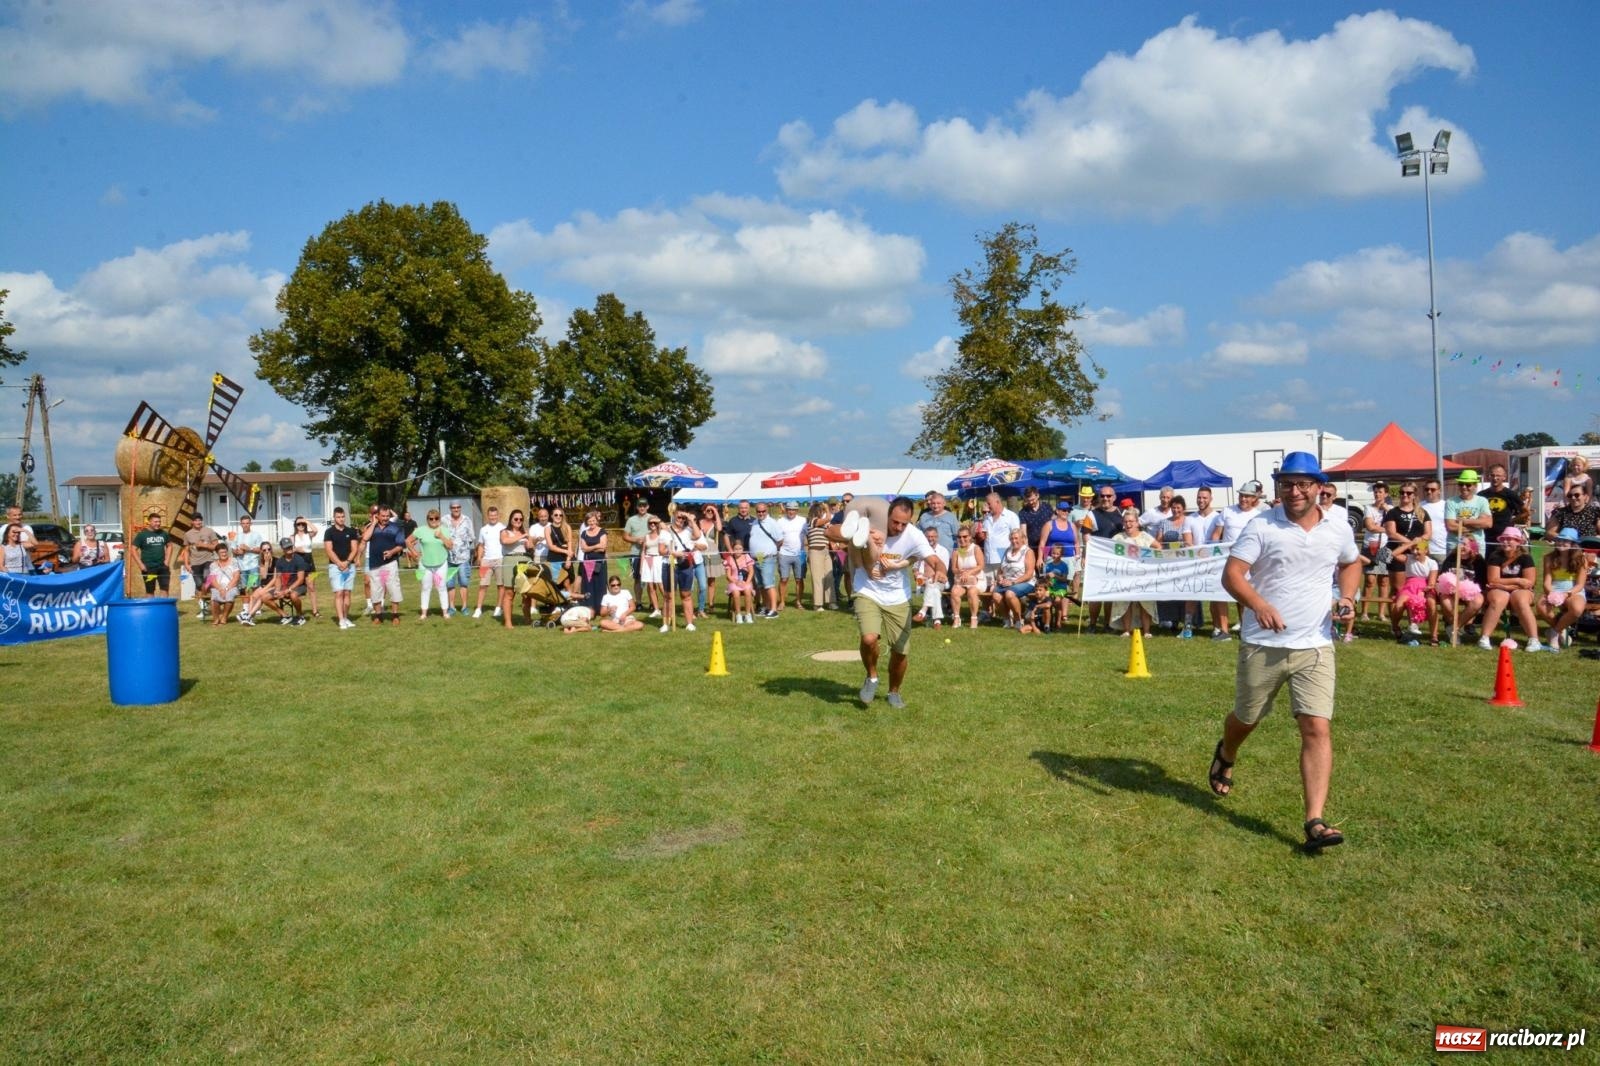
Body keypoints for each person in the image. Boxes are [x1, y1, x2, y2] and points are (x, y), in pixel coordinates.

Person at [1206, 452, 1360, 853]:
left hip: (1316, 645)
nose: (1295, 491)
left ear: (1319, 487)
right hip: (1263, 644)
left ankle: (1315, 820)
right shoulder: (1262, 525)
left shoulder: (1337, 526)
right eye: (1287, 484)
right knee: (1247, 718)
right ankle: (1227, 752)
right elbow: (1232, 575)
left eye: (1303, 484)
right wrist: (1258, 604)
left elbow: (1351, 563)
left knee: (1316, 727)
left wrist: (1346, 597)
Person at [829, 496, 943, 708]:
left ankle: (894, 691)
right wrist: (856, 533)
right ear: (887, 515)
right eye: (895, 522)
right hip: (867, 590)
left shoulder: (914, 535)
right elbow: (830, 532)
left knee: (900, 652)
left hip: (898, 597)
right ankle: (872, 677)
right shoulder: (873, 525)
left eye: (903, 523)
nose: (898, 527)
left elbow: (935, 560)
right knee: (869, 638)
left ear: (910, 521)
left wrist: (941, 571)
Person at [1476, 527, 1544, 651]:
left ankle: (1534, 640)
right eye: (1503, 539)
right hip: (1500, 589)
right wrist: (1517, 580)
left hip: (1519, 590)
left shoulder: (1526, 557)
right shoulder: (1495, 556)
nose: (1506, 542)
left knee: (1521, 600)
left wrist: (1504, 585)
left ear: (1518, 542)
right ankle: (1484, 638)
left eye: (1509, 539)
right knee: (1498, 600)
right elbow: (1493, 580)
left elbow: (1529, 582)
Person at [1538, 527, 1589, 650]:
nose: (1561, 543)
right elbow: (1547, 581)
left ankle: (1554, 632)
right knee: (1541, 606)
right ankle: (1560, 630)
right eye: (1559, 540)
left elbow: (1580, 584)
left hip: (1573, 590)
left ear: (1573, 544)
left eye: (1566, 541)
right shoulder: (1548, 558)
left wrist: (1566, 594)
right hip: (1554, 589)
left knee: (1577, 609)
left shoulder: (1582, 559)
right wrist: (1551, 593)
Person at [1083, 484, 1125, 633]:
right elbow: (1086, 536)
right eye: (1102, 496)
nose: (1105, 498)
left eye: (1108, 496)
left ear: (1114, 497)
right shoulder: (1091, 515)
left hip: (1116, 560)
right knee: (1095, 594)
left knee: (1110, 594)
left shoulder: (1122, 514)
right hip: (1097, 559)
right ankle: (1093, 624)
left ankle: (1107, 624)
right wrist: (1087, 555)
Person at [1156, 495, 1198, 638]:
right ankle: (1170, 620)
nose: (1175, 510)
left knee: (1186, 592)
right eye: (1173, 508)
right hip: (1169, 562)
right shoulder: (1163, 522)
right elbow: (1158, 541)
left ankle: (1188, 622)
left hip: (1185, 562)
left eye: (1178, 508)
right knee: (1171, 591)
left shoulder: (1189, 521)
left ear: (1183, 508)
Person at [1111, 508, 1157, 638]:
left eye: (1131, 521)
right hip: (1125, 576)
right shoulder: (1118, 538)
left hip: (1144, 576)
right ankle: (1126, 630)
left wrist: (1150, 559)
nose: (1128, 524)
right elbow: (1109, 551)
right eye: (1126, 521)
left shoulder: (1145, 536)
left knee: (1145, 603)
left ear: (1137, 523)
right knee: (1126, 602)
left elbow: (1158, 547)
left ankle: (1147, 631)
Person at [663, 510, 705, 631]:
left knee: (686, 594)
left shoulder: (689, 531)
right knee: (668, 595)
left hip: (685, 565)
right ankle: (665, 624)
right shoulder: (667, 530)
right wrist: (673, 553)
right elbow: (661, 549)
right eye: (679, 517)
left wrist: (690, 518)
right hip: (669, 564)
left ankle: (689, 623)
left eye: (683, 518)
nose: (681, 520)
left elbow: (698, 536)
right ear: (673, 517)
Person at [364, 505, 407, 625]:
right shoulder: (371, 527)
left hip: (390, 563)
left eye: (387, 516)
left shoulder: (396, 527)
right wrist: (373, 524)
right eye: (383, 516)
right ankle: (378, 616)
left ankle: (395, 615)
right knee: (375, 590)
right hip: (374, 564)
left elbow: (401, 545)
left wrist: (392, 552)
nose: (385, 518)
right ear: (377, 516)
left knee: (393, 588)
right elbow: (365, 538)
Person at [409, 507, 453, 620]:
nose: (434, 520)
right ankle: (424, 613)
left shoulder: (444, 530)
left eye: (436, 518)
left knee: (441, 587)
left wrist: (441, 536)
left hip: (441, 564)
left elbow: (450, 546)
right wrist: (414, 552)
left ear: (439, 519)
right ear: (427, 519)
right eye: (431, 518)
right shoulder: (420, 530)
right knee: (425, 588)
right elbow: (407, 541)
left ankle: (445, 612)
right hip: (425, 564)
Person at [991, 526, 1038, 631]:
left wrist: (1013, 582)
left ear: (1022, 539)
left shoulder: (1028, 552)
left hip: (1026, 582)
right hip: (1007, 582)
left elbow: (1029, 574)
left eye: (1016, 538)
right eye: (1012, 538)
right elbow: (1000, 569)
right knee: (996, 595)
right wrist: (1000, 578)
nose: (1014, 541)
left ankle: (1018, 620)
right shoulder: (1007, 551)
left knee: (1010, 594)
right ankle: (1007, 620)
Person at [323, 506, 361, 629]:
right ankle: (340, 620)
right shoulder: (329, 532)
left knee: (347, 593)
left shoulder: (351, 531)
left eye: (343, 517)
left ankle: (345, 617)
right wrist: (340, 563)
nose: (341, 519)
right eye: (338, 517)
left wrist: (347, 562)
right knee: (339, 593)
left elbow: (354, 548)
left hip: (349, 566)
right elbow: (329, 550)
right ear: (334, 518)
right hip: (335, 567)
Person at [1444, 469, 1492, 556]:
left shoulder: (1482, 501)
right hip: (1455, 545)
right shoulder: (1451, 501)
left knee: (1477, 565)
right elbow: (1450, 526)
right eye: (1461, 484)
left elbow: (1488, 523)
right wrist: (1477, 525)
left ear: (1475, 485)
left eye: (1468, 484)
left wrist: (1464, 521)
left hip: (1476, 544)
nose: (1464, 487)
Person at [747, 502, 782, 618]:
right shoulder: (755, 522)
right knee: (761, 584)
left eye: (763, 511)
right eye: (759, 511)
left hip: (767, 557)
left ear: (767, 511)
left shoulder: (772, 523)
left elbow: (780, 540)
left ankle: (774, 609)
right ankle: (767, 607)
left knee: (769, 584)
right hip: (758, 557)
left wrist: (771, 550)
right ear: (756, 511)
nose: (761, 513)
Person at [500, 510, 534, 627]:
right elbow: (505, 541)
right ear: (511, 519)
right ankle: (508, 622)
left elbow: (530, 547)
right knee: (509, 592)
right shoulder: (505, 532)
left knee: (526, 593)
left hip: (524, 560)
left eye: (521, 519)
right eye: (516, 519)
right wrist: (522, 536)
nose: (518, 521)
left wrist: (530, 540)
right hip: (510, 561)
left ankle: (528, 620)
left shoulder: (524, 532)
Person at [912, 524, 949, 628]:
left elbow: (944, 571)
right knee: (934, 589)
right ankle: (937, 620)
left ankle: (923, 612)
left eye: (933, 536)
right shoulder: (920, 550)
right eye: (928, 536)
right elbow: (915, 567)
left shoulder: (943, 551)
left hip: (940, 580)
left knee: (933, 586)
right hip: (921, 580)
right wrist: (916, 573)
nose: (930, 539)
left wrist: (931, 579)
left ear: (937, 537)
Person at [132, 511, 176, 595]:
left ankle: (164, 604)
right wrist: (140, 565)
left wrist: (167, 561)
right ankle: (151, 604)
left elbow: (170, 546)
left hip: (163, 567)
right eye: (156, 522)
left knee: (165, 589)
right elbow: (133, 549)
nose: (158, 524)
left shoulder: (163, 533)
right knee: (150, 591)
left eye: (159, 521)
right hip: (148, 568)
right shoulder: (142, 535)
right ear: (149, 522)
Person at [473, 505, 506, 618]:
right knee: (483, 585)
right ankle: (478, 609)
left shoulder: (503, 528)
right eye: (491, 515)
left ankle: (498, 608)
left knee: (501, 585)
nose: (493, 517)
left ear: (498, 515)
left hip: (500, 559)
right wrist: (479, 558)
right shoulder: (483, 529)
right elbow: (481, 545)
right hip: (486, 561)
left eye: (495, 515)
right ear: (488, 516)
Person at [948, 526, 983, 629]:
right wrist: (960, 571)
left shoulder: (976, 549)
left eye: (965, 536)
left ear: (970, 537)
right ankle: (957, 618)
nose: (962, 539)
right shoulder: (957, 551)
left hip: (977, 579)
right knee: (954, 591)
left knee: (972, 592)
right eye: (959, 537)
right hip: (962, 580)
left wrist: (969, 573)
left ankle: (974, 618)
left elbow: (981, 566)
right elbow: (954, 569)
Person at [445, 501, 476, 616]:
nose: (456, 509)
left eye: (458, 507)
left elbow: (472, 537)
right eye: (453, 507)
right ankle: (451, 607)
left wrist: (462, 547)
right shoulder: (444, 520)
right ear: (450, 508)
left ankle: (464, 607)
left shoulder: (467, 520)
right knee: (450, 584)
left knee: (464, 583)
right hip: (449, 558)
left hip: (463, 559)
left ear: (460, 508)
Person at [1479, 464, 1524, 542]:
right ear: (1489, 477)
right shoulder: (1481, 495)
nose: (1495, 478)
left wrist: (1511, 521)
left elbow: (1526, 512)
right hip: (1484, 535)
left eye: (1498, 476)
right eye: (1492, 475)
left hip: (1504, 536)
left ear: (1504, 477)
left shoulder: (1510, 494)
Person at [806, 502, 835, 612]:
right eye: (821, 511)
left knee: (829, 576)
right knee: (817, 578)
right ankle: (817, 604)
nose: (823, 513)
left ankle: (831, 602)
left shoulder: (822, 524)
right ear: (816, 511)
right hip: (815, 552)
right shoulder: (812, 521)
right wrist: (827, 509)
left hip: (825, 551)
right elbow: (828, 518)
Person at [578, 511, 608, 615]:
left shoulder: (602, 532)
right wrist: (596, 546)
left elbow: (603, 547)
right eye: (589, 521)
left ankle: (600, 608)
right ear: (586, 522)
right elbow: (583, 548)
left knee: (600, 585)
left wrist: (589, 548)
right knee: (588, 585)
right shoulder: (584, 533)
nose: (592, 523)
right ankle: (589, 607)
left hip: (600, 562)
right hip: (588, 562)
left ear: (597, 521)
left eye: (593, 520)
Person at [697, 504, 723, 614]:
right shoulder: (699, 522)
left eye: (712, 511)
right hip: (700, 553)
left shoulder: (715, 522)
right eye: (708, 510)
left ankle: (711, 604)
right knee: (701, 581)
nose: (710, 513)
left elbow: (720, 528)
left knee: (711, 582)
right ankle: (701, 606)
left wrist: (715, 512)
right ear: (704, 511)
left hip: (712, 553)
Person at [207, 544, 241, 625]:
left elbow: (236, 577)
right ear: (217, 553)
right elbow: (212, 579)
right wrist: (220, 589)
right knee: (214, 597)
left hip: (231, 586)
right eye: (221, 552)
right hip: (218, 587)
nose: (224, 554)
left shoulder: (233, 561)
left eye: (225, 552)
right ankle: (216, 619)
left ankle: (224, 617)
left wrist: (226, 589)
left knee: (230, 595)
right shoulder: (213, 565)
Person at [723, 538, 756, 624]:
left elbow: (751, 572)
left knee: (747, 590)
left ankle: (748, 614)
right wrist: (736, 582)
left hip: (746, 581)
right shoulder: (729, 559)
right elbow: (728, 575)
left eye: (740, 549)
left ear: (743, 549)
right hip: (734, 582)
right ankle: (738, 615)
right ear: (733, 549)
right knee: (736, 592)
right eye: (736, 549)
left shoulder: (747, 557)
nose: (738, 551)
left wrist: (747, 582)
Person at [234, 514, 265, 593]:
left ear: (251, 524)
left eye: (247, 523)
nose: (245, 525)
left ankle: (255, 601)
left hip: (253, 566)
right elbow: (233, 549)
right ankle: (246, 601)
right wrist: (237, 552)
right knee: (244, 589)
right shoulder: (237, 536)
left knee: (254, 588)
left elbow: (261, 549)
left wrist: (249, 549)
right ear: (240, 524)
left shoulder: (256, 535)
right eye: (243, 523)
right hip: (241, 566)